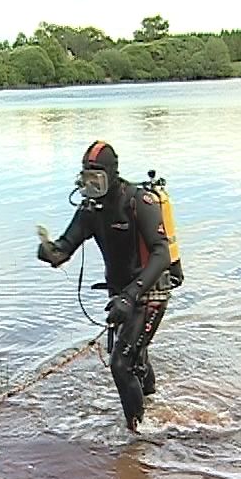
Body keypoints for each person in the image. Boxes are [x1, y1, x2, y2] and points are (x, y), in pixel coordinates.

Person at [37, 141, 173, 432]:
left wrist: (131, 295)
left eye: (96, 179)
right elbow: (65, 247)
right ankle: (152, 410)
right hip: (121, 295)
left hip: (150, 290)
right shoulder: (90, 210)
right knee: (135, 357)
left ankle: (139, 435)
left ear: (112, 175)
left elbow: (162, 254)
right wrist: (49, 252)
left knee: (121, 364)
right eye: (86, 179)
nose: (91, 186)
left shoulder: (139, 201)